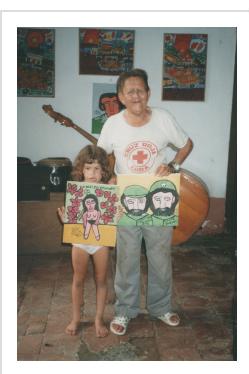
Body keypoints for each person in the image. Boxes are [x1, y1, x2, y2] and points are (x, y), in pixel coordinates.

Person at [98, 68, 193, 336]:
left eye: (141, 90)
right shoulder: (112, 124)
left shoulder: (163, 118)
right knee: (126, 258)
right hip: (126, 199)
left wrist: (173, 165)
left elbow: (186, 144)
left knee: (159, 256)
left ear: (148, 93)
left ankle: (160, 307)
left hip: (159, 197)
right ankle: (124, 310)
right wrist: (109, 178)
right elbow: (101, 155)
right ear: (121, 96)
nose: (136, 95)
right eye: (131, 91)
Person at [57, 144, 112, 337]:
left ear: (103, 171)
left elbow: (110, 221)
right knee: (78, 279)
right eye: (88, 168)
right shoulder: (75, 192)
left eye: (97, 168)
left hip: (100, 243)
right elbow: (71, 218)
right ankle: (76, 318)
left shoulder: (108, 193)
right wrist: (66, 220)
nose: (92, 173)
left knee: (101, 280)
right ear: (81, 169)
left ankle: (98, 318)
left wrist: (117, 215)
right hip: (79, 242)